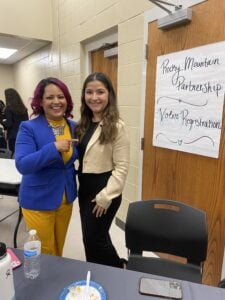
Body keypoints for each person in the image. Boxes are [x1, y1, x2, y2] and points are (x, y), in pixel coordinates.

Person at [15, 77, 78, 256]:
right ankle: (46, 282)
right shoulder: (28, 127)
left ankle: (55, 279)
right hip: (38, 199)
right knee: (45, 251)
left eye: (61, 96)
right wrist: (53, 148)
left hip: (65, 198)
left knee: (59, 245)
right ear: (40, 102)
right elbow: (22, 164)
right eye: (50, 97)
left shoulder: (74, 126)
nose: (56, 101)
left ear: (67, 100)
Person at [75, 72, 130, 268]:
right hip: (85, 189)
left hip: (105, 189)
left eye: (100, 91)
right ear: (84, 96)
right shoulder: (83, 124)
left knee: (96, 239)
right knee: (90, 239)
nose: (94, 97)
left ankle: (117, 269)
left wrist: (106, 196)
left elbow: (122, 167)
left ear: (109, 95)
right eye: (89, 92)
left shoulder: (116, 126)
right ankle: (96, 271)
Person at [2, 89, 29, 156]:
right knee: (25, 154)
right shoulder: (23, 108)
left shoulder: (8, 109)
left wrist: (2, 121)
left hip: (13, 136)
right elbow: (27, 122)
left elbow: (9, 124)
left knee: (15, 156)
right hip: (25, 134)